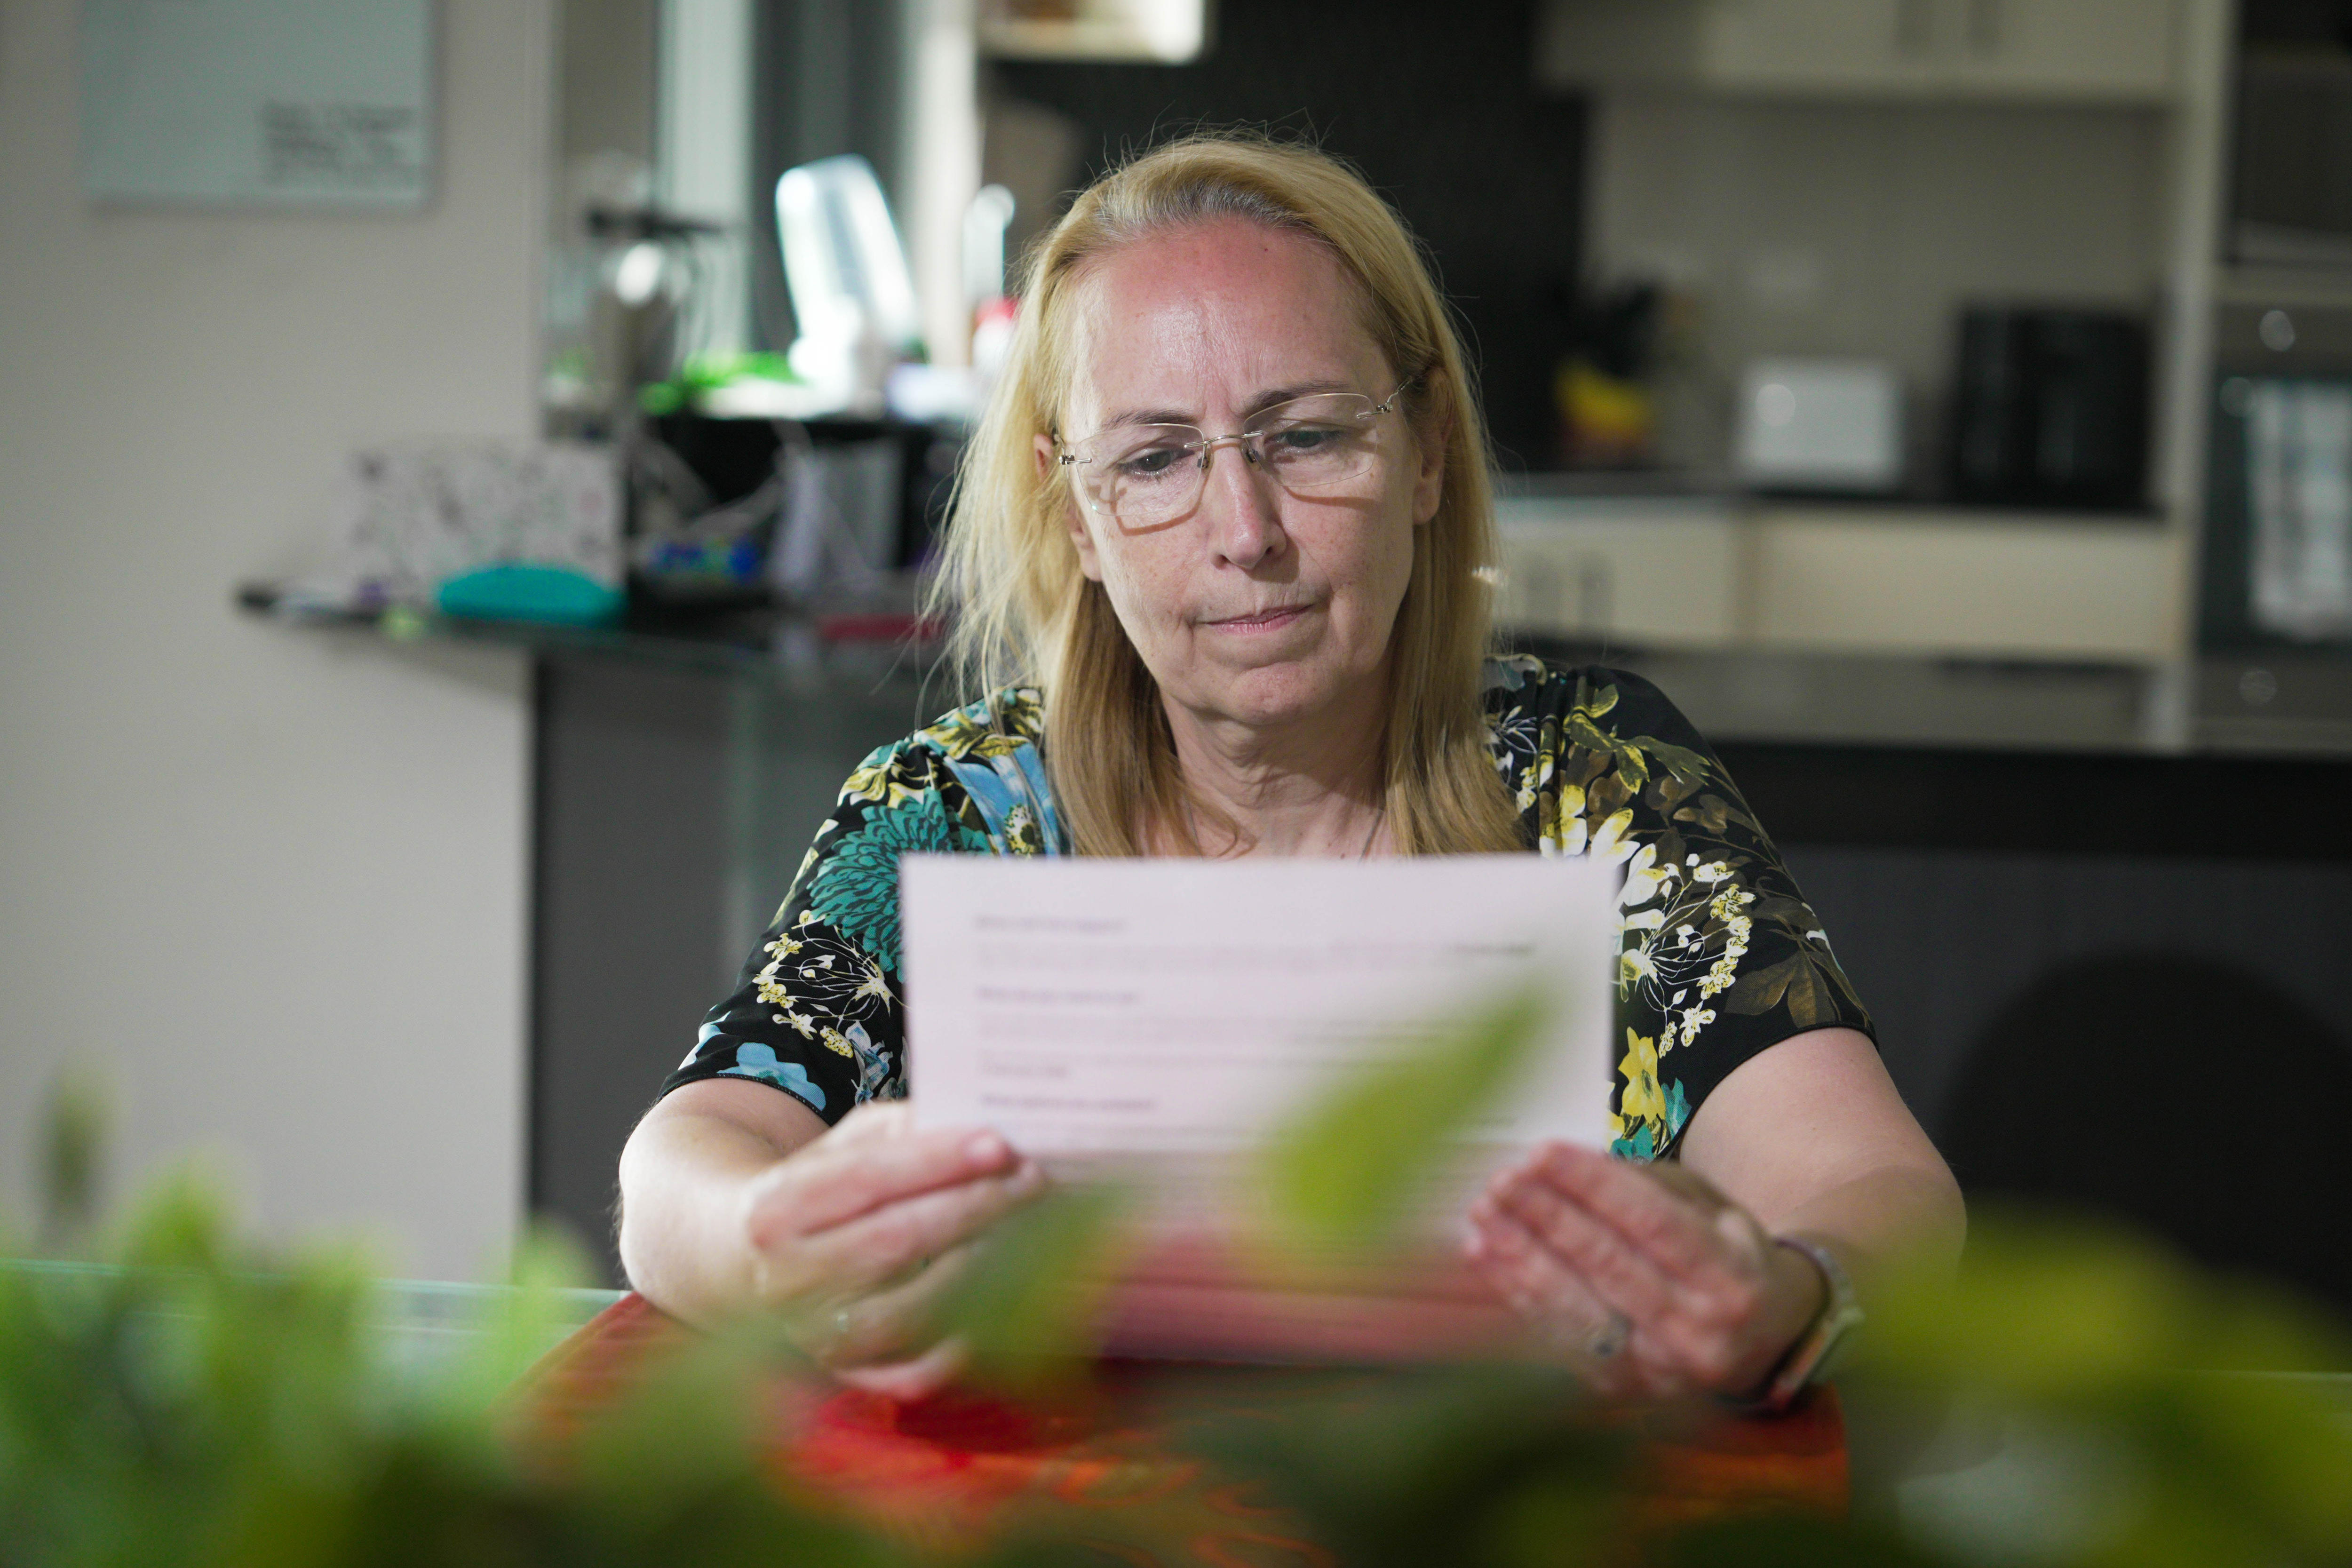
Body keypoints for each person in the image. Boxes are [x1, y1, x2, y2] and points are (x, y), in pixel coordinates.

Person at [617, 132, 1964, 1404]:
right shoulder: (955, 809)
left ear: (1427, 453)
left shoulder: (1592, 783)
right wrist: (762, 1246)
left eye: (1308, 438)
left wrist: (1787, 1294)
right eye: (1153, 459)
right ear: (1077, 512)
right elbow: (683, 1168)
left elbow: (1870, 1187)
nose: (1246, 531)